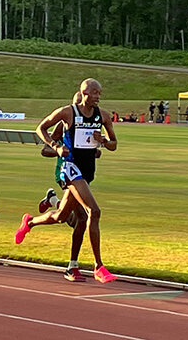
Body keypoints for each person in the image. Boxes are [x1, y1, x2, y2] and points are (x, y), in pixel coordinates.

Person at [15, 78, 118, 284]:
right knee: (93, 212)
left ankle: (30, 222)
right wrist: (56, 146)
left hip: (87, 170)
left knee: (62, 216)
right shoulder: (67, 112)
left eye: (100, 93)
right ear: (84, 92)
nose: (98, 96)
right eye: (94, 92)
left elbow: (114, 144)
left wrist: (104, 141)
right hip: (70, 168)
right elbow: (40, 128)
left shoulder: (103, 116)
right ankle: (98, 267)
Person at [37, 91, 91, 282]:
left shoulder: (89, 122)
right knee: (83, 217)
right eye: (78, 105)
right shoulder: (63, 124)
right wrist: (59, 150)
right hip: (66, 174)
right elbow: (45, 150)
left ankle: (40, 212)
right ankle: (72, 266)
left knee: (65, 217)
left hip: (82, 175)